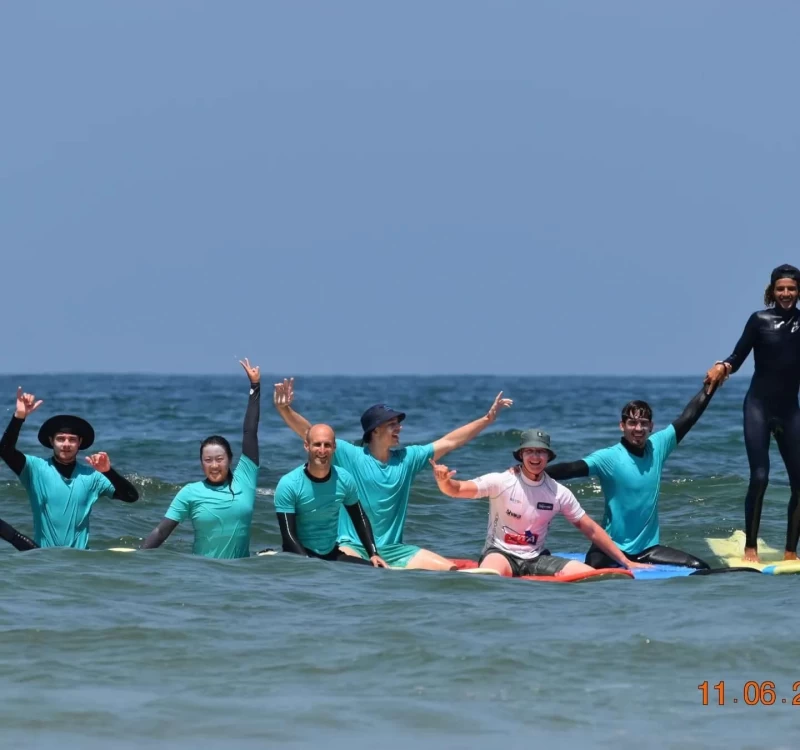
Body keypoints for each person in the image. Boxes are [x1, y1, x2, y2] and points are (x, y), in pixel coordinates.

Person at [273, 378, 512, 570]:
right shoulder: (350, 455)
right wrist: (285, 409)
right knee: (358, 571)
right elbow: (310, 432)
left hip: (396, 549)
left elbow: (449, 442)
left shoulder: (407, 458)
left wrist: (487, 419)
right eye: (392, 424)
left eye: (398, 423)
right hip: (353, 546)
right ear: (375, 431)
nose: (399, 428)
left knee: (450, 573)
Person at [531, 385, 716, 569]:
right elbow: (572, 468)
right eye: (632, 423)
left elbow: (689, 417)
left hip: (648, 549)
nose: (638, 428)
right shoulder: (610, 457)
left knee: (698, 566)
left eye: (644, 423)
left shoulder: (658, 446)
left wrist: (711, 385)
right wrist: (532, 473)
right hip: (610, 547)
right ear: (622, 426)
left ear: (651, 426)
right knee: (592, 571)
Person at [430, 430, 649, 577]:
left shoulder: (557, 492)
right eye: (530, 451)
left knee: (586, 575)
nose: (535, 457)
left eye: (541, 452)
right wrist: (444, 481)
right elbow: (457, 490)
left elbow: (590, 528)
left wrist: (626, 562)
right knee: (490, 577)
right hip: (500, 553)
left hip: (536, 558)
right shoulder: (502, 481)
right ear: (521, 455)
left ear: (548, 456)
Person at [704, 263, 800, 562]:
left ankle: (790, 552)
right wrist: (723, 367)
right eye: (781, 288)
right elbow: (738, 356)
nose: (786, 293)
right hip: (758, 407)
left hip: (790, 410)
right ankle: (750, 548)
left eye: (792, 288)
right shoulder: (759, 320)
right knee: (760, 477)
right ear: (772, 291)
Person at [142, 359, 261, 559]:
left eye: (219, 459)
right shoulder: (190, 492)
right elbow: (162, 531)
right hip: (202, 574)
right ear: (201, 463)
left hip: (241, 575)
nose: (214, 465)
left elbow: (250, 432)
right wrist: (139, 559)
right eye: (208, 460)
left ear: (230, 460)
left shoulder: (245, 479)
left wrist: (255, 387)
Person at [0, 387, 139, 549]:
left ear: (79, 443)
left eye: (72, 440)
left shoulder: (93, 477)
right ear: (51, 441)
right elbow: (4, 450)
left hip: (79, 561)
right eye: (61, 439)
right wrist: (19, 417)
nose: (66, 444)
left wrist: (108, 472)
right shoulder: (35, 469)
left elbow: (131, 497)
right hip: (44, 560)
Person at [274, 423, 387, 567]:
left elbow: (359, 517)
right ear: (306, 446)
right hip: (298, 554)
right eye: (317, 444)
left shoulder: (344, 479)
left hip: (332, 553)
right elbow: (289, 537)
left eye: (327, 445)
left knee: (374, 570)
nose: (322, 450)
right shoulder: (289, 483)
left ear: (334, 447)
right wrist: (308, 563)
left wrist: (373, 553)